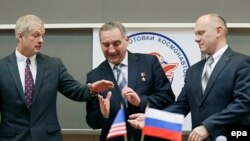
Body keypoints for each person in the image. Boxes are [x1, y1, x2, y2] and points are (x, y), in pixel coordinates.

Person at [128, 13, 250, 141]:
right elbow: (181, 105)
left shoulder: (242, 63)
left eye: (201, 33)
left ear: (218, 31)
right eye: (196, 34)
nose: (196, 39)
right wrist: (152, 120)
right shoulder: (193, 71)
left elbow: (243, 104)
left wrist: (208, 127)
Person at [0, 14, 114, 141]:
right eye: (36, 35)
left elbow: (75, 90)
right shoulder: (2, 67)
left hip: (47, 137)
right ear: (20, 36)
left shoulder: (54, 65)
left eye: (42, 36)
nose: (41, 40)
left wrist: (92, 89)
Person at [86, 21, 175, 141]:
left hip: (149, 136)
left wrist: (140, 101)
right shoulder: (94, 77)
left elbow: (168, 98)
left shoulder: (149, 63)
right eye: (106, 45)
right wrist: (103, 114)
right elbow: (92, 121)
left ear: (127, 40)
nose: (111, 50)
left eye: (116, 43)